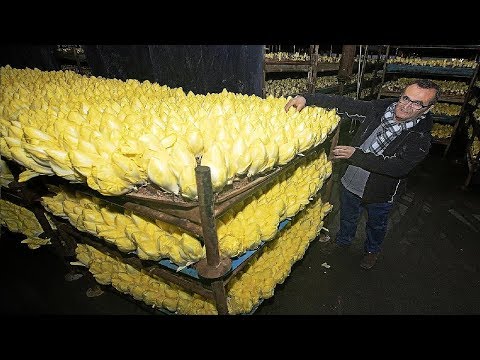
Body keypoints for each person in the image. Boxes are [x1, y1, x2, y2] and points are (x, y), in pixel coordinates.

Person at [284, 79, 440, 270]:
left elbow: (398, 167)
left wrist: (355, 155)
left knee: (376, 225)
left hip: (381, 193)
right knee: (348, 217)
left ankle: (371, 251)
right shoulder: (380, 109)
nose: (406, 106)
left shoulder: (420, 138)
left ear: (428, 108)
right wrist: (305, 97)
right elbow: (343, 104)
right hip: (351, 181)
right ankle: (343, 241)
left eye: (416, 103)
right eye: (405, 98)